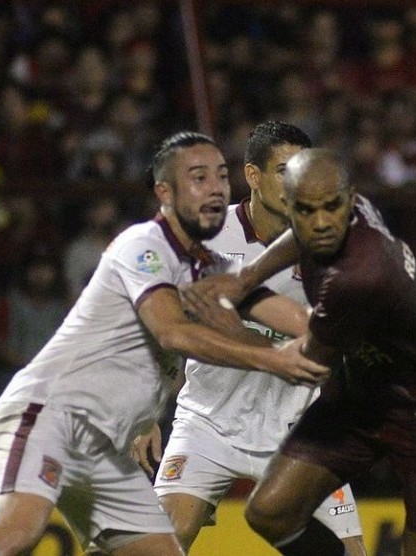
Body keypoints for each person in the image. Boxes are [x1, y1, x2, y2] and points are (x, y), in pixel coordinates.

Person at [0, 131, 329, 556]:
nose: (215, 187)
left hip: (105, 448)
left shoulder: (212, 267)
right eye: (198, 177)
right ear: (165, 192)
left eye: (220, 175)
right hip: (51, 416)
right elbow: (172, 332)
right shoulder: (144, 247)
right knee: (16, 534)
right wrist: (273, 358)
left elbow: (297, 321)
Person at [182, 148, 416, 555]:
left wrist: (234, 318)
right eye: (306, 210)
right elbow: (301, 238)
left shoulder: (358, 278)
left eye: (330, 208)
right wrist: (246, 276)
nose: (321, 222)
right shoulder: (352, 209)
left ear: (349, 198)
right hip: (364, 393)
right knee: (270, 512)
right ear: (291, 207)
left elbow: (305, 365)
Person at [132, 122, 365, 554]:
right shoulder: (208, 237)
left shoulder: (329, 245)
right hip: (207, 420)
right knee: (158, 544)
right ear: (253, 176)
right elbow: (158, 326)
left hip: (299, 428)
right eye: (282, 170)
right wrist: (145, 411)